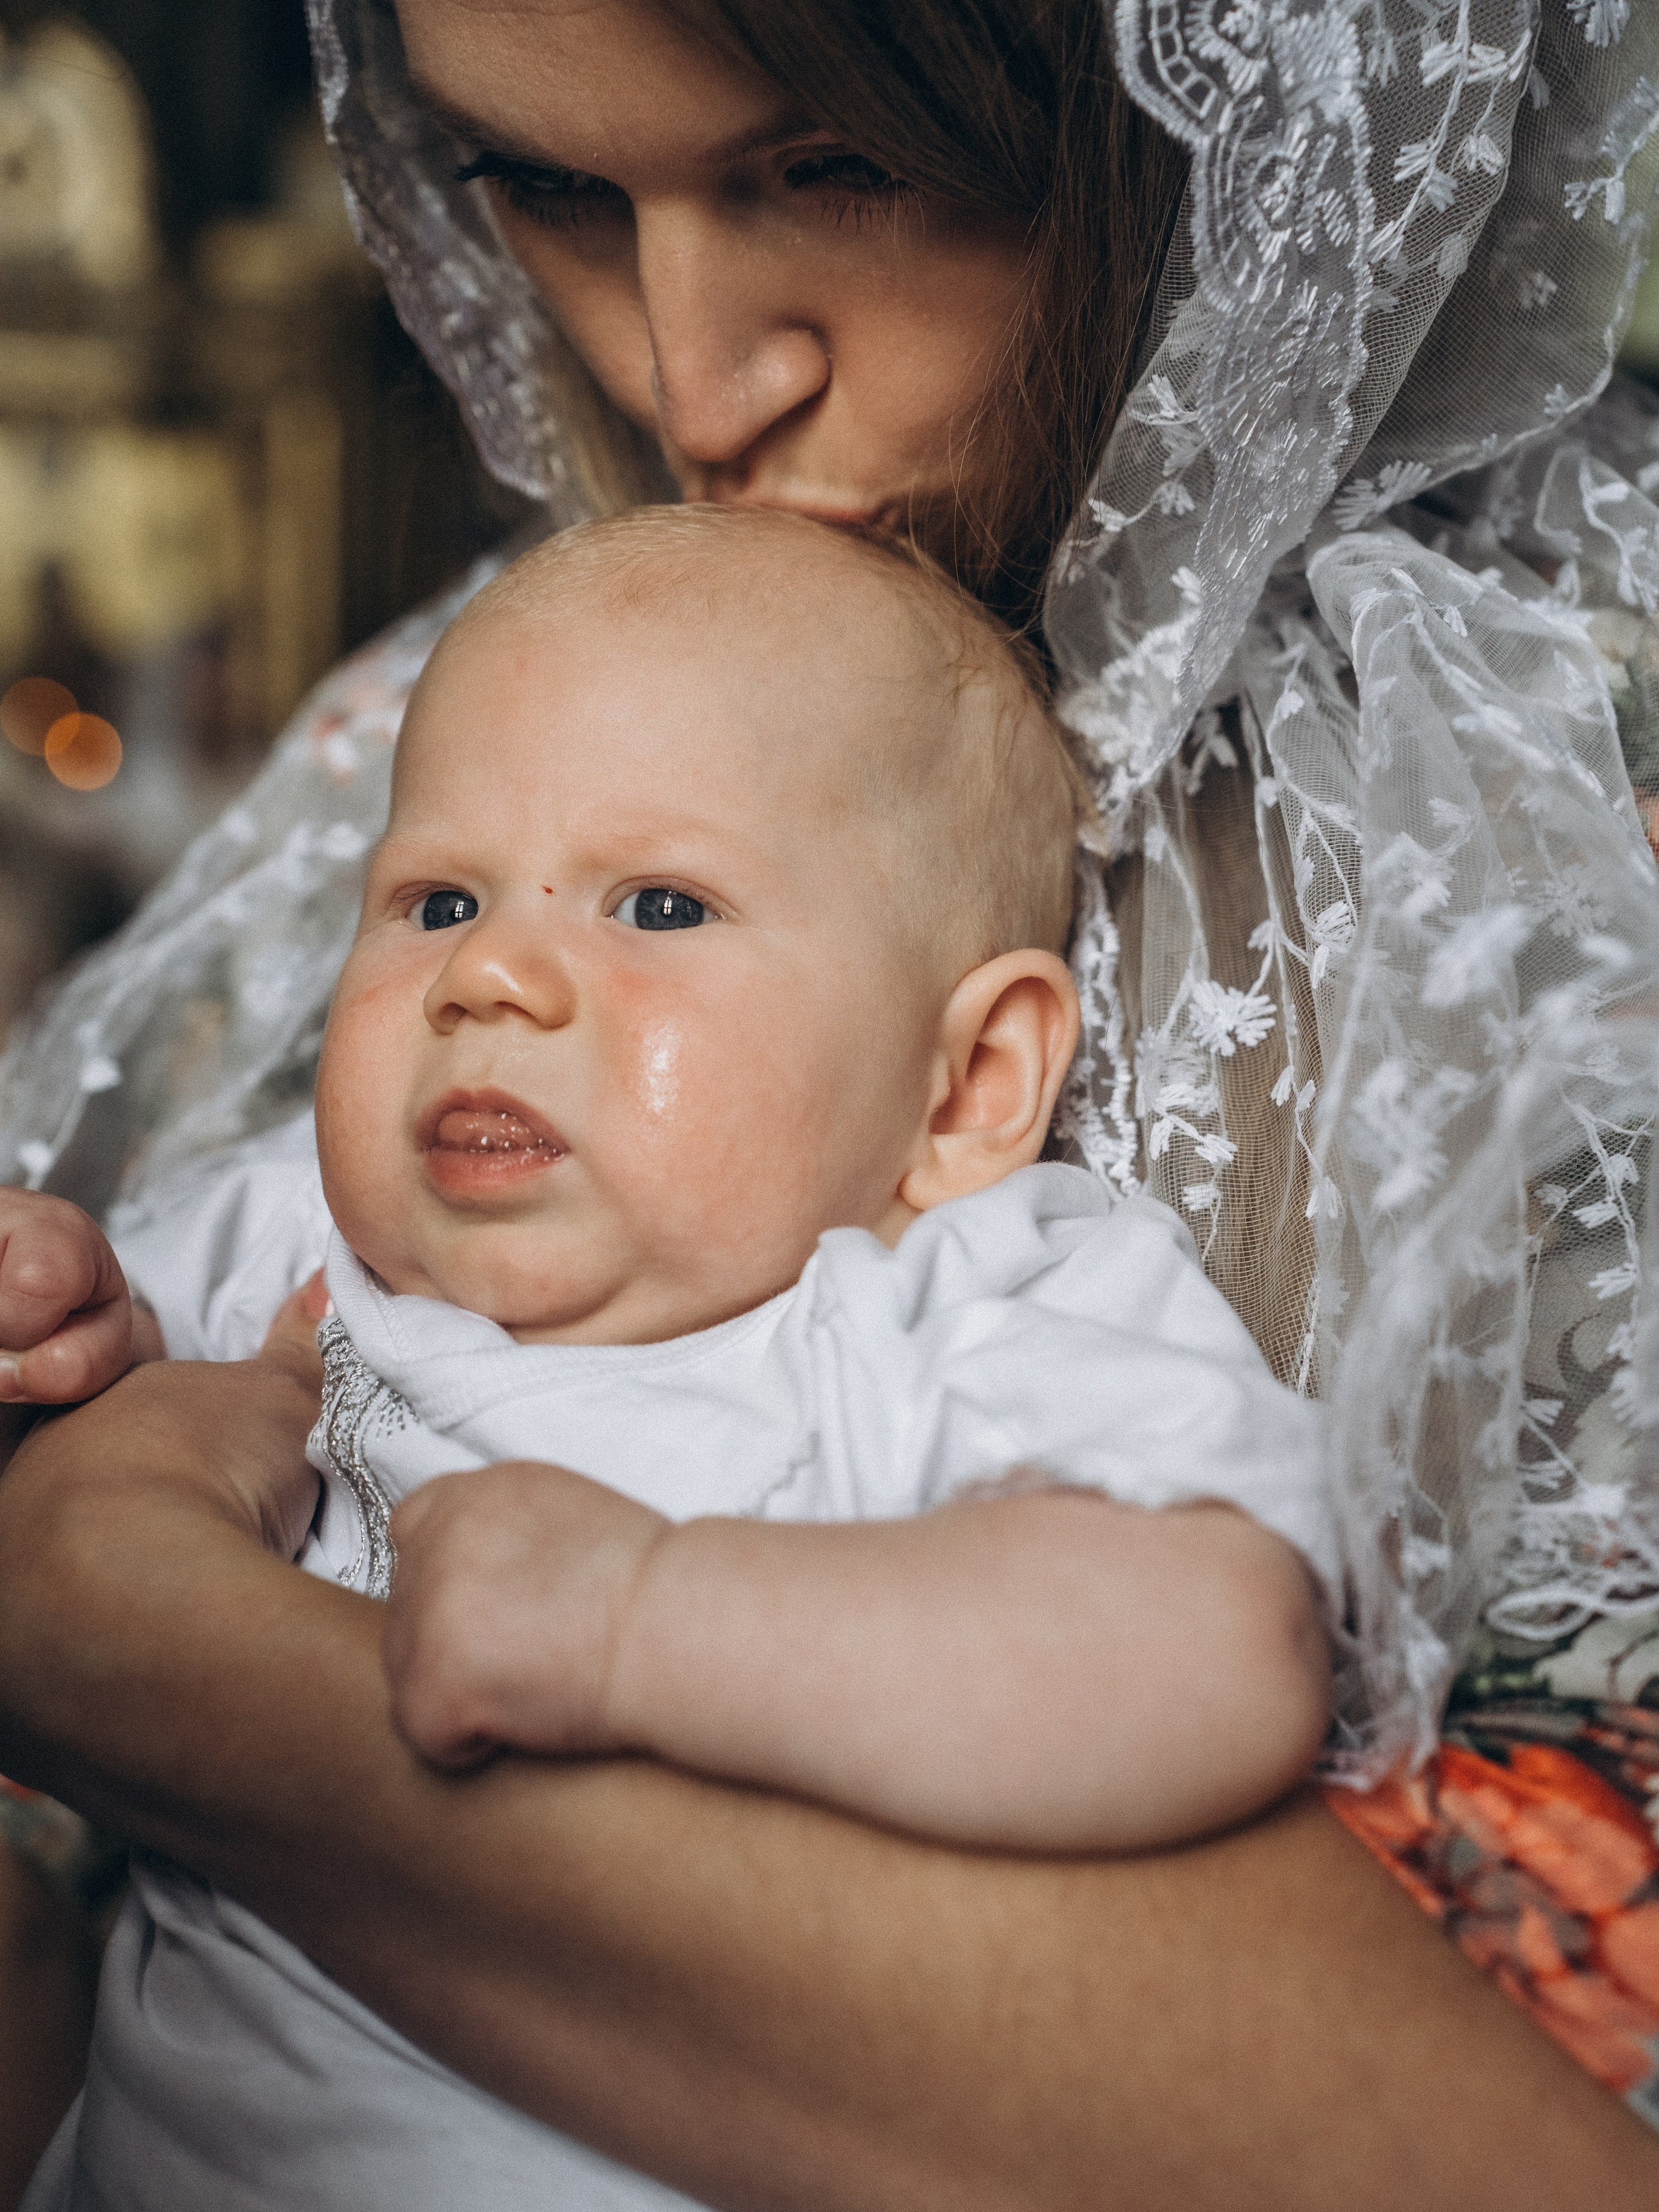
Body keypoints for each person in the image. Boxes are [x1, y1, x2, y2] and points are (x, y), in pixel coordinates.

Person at [4, 0, 1659, 2202]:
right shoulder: (508, 710)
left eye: (836, 171)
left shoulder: (1547, 831)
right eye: (555, 192)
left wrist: (163, 1650)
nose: (695, 387)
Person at [16, 507, 1340, 2203]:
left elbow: (1212, 1642)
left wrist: (647, 1619)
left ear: (969, 1089)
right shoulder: (311, 1239)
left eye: (657, 902)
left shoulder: (950, 1302)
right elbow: (104, 1431)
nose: (488, 972)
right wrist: (82, 1325)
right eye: (433, 897)